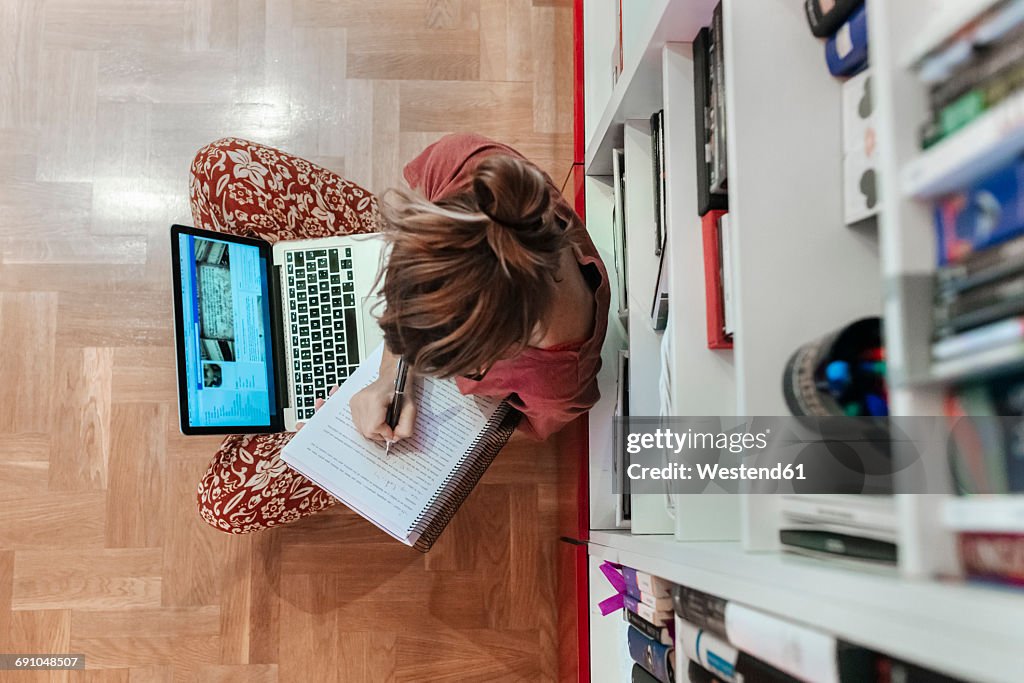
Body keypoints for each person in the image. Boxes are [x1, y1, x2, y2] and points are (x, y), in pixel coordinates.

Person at [190, 134, 609, 534]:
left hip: (418, 411)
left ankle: (258, 337)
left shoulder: (557, 384)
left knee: (223, 503)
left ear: (493, 357)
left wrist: (340, 421)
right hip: (394, 341)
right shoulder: (468, 165)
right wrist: (391, 375)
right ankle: (260, 322)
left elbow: (509, 422)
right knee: (217, 166)